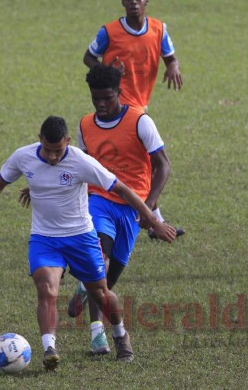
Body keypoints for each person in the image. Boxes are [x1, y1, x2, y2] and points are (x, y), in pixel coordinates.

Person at [0, 116, 176, 371]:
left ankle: (120, 335)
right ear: (39, 139)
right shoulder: (23, 157)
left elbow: (122, 188)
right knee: (46, 288)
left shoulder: (80, 160)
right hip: (44, 238)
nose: (53, 157)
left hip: (81, 237)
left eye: (59, 150)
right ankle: (49, 349)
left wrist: (153, 221)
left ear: (67, 141)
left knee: (100, 292)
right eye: (48, 150)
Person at [64, 63, 177, 355]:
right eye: (95, 98)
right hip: (99, 200)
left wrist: (148, 208)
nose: (101, 104)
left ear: (119, 92)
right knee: (97, 261)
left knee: (106, 283)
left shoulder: (140, 121)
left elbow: (163, 166)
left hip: (132, 206)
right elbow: (81, 167)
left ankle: (87, 296)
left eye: (107, 98)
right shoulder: (85, 125)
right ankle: (102, 336)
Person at [83, 0, 184, 239]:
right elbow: (88, 57)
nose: (133, 3)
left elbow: (170, 57)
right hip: (121, 106)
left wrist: (173, 67)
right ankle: (150, 219)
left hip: (141, 104)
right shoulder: (109, 31)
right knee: (145, 164)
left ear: (146, 0)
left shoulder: (159, 29)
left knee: (141, 165)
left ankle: (148, 218)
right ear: (123, 2)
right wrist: (108, 73)